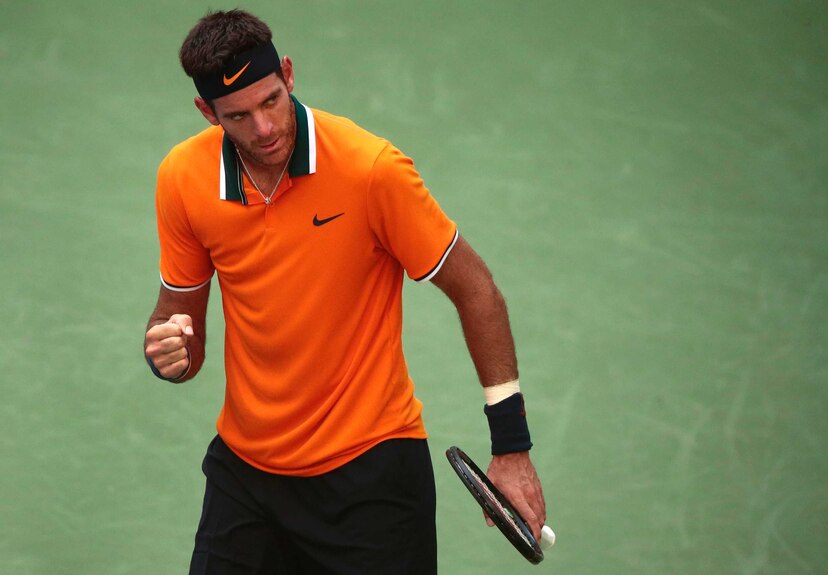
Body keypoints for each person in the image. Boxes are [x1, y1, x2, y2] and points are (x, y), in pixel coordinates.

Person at [143, 9, 546, 574]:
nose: (263, 128)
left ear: (288, 74)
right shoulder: (182, 178)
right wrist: (166, 352)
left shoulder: (370, 169)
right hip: (247, 475)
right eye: (238, 115)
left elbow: (476, 289)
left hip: (371, 478)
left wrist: (511, 446)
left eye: (271, 101)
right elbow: (180, 339)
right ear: (207, 112)